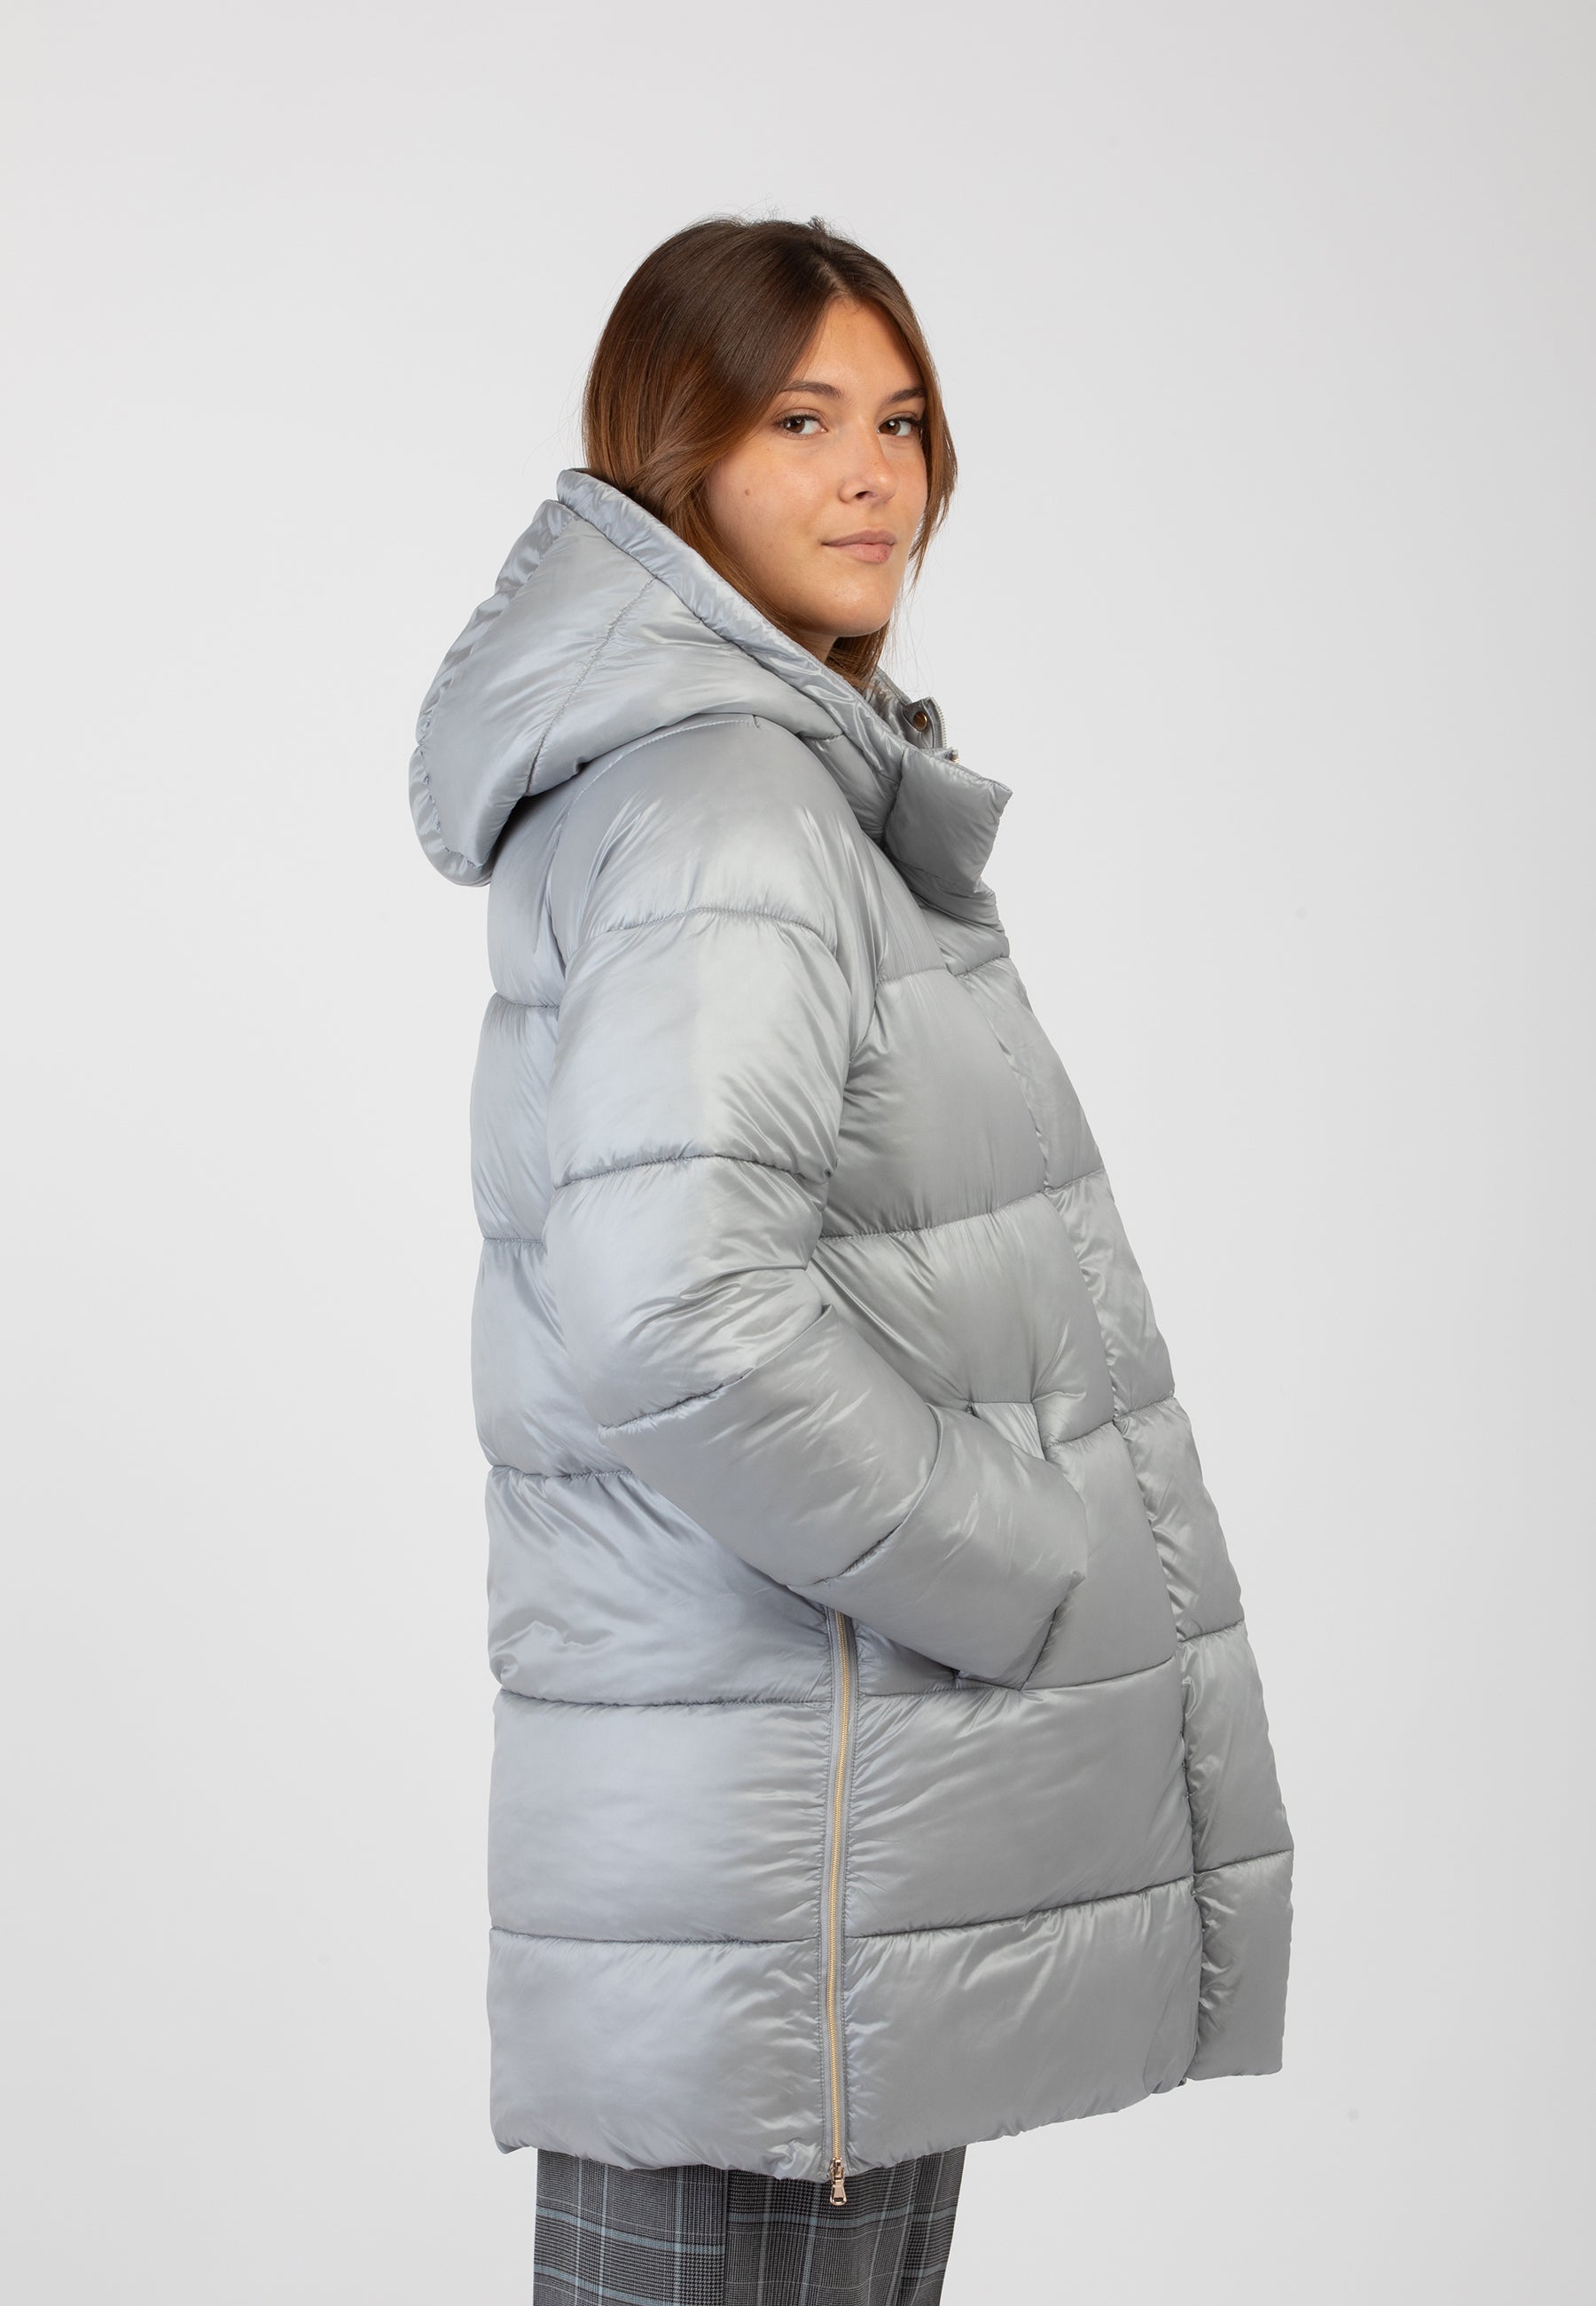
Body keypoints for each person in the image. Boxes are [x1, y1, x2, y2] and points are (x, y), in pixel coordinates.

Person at [408, 215, 1294, 2306]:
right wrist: (1018, 1551)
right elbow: (679, 1315)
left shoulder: (775, 785)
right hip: (781, 1858)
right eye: (801, 421)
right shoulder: (727, 804)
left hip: (825, 1850)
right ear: (676, 455)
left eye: (899, 423)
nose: (873, 474)